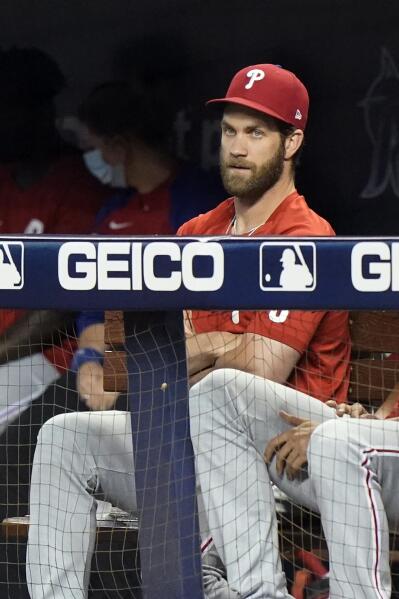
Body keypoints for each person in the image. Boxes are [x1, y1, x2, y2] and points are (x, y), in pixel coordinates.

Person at [25, 64, 350, 599]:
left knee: (224, 392)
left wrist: (194, 353)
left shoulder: (306, 234)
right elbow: (135, 361)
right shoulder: (196, 232)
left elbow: (261, 369)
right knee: (65, 436)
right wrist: (218, 347)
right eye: (229, 131)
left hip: (286, 458)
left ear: (292, 142)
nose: (238, 147)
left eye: (257, 132)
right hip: (191, 446)